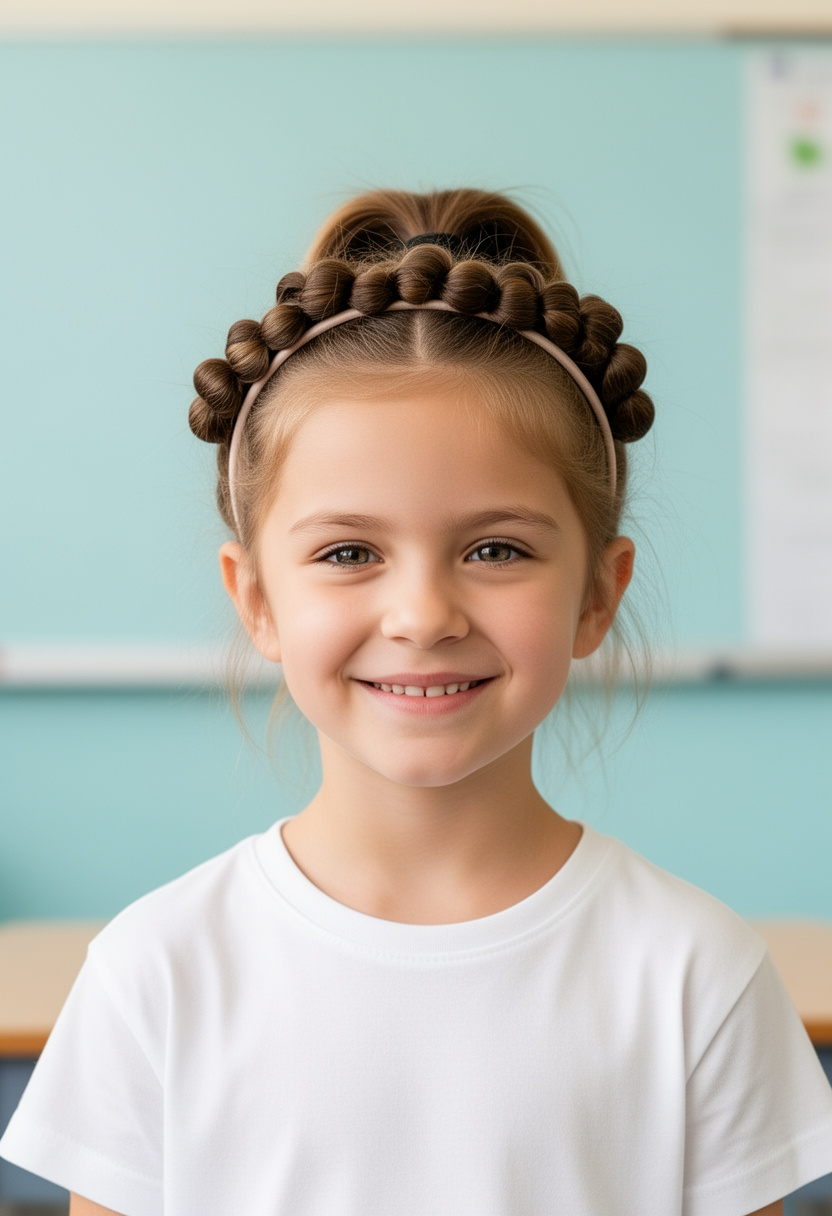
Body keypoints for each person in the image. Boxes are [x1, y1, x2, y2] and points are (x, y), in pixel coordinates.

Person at [2, 188, 831, 1216]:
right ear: (256, 599)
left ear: (598, 593)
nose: (423, 613)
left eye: (495, 549)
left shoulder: (693, 973)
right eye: (349, 552)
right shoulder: (156, 971)